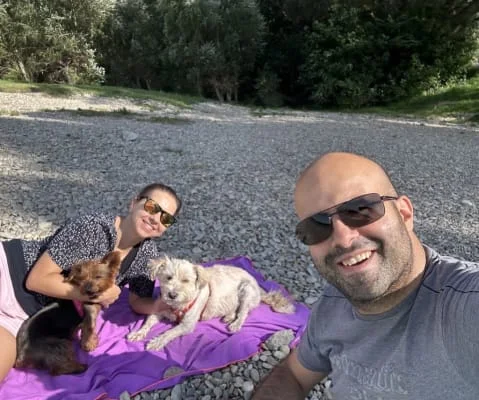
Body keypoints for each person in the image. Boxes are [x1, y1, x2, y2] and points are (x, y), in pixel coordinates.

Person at [252, 152, 479, 400]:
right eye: (316, 226)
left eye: (360, 209)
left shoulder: (463, 305)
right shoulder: (331, 304)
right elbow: (294, 375)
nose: (342, 238)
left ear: (404, 214)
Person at [0, 182, 182, 383]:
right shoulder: (93, 228)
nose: (155, 218)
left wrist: (165, 305)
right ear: (134, 203)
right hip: (9, 269)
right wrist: (99, 295)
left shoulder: (146, 255)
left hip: (24, 316)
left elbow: (138, 301)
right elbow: (36, 280)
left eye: (166, 218)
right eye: (151, 207)